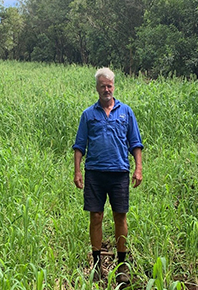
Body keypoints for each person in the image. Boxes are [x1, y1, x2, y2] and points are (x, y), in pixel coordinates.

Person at [73, 67, 143, 284]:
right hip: (94, 172)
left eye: (109, 85)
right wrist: (77, 170)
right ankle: (96, 265)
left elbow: (135, 143)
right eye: (102, 85)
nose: (106, 89)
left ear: (114, 87)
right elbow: (79, 146)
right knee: (96, 217)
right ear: (97, 88)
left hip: (120, 172)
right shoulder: (88, 114)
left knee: (120, 217)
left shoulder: (126, 112)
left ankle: (122, 266)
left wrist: (138, 168)